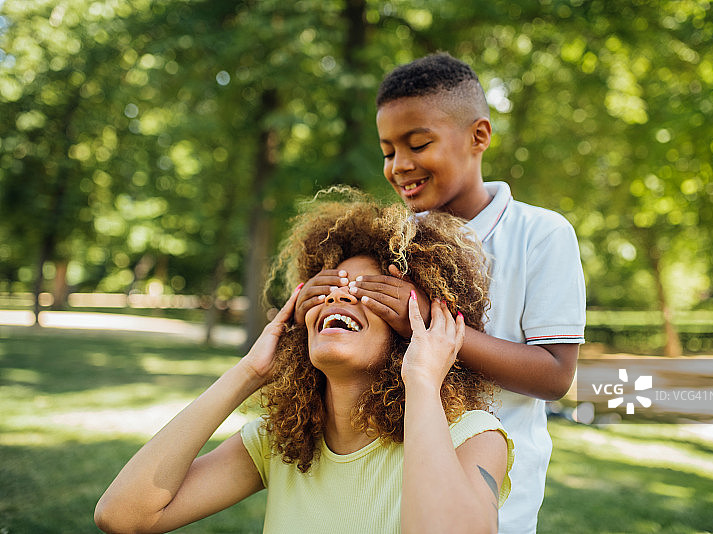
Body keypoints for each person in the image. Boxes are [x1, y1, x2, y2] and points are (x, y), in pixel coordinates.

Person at [94, 194, 514, 534]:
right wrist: (248, 373)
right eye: (328, 289)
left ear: (414, 328)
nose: (338, 297)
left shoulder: (473, 437)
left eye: (371, 291)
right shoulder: (280, 443)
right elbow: (123, 516)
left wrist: (422, 377)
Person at [294, 53, 586, 533]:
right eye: (388, 151)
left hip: (493, 504)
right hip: (390, 490)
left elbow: (555, 375)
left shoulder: (541, 234)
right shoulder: (390, 239)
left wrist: (430, 324)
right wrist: (314, 303)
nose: (399, 165)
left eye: (418, 144)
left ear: (478, 137)